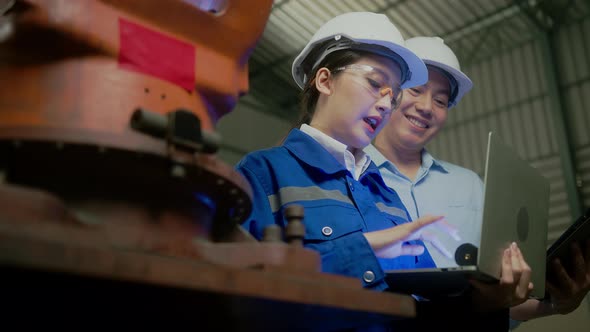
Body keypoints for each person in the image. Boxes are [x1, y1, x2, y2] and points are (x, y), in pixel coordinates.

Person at [236, 12, 531, 331]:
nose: (384, 104)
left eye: (392, 95)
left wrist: (488, 302)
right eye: (375, 83)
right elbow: (240, 293)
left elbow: (424, 312)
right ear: (324, 80)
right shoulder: (264, 173)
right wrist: (367, 250)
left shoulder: (384, 195)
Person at [365, 35, 590, 330]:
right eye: (416, 90)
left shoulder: (469, 185)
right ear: (389, 92)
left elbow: (503, 298)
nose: (426, 107)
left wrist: (557, 303)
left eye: (441, 100)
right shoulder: (349, 173)